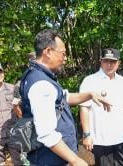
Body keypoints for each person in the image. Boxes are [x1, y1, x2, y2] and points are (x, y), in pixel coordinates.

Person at [20, 29, 110, 166]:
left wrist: (90, 94)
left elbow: (64, 98)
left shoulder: (38, 75)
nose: (65, 58)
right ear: (48, 52)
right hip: (49, 160)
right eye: (63, 53)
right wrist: (75, 160)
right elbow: (47, 134)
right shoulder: (41, 85)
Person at [79, 48, 123, 166]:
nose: (109, 65)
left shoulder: (122, 81)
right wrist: (86, 135)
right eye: (106, 61)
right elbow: (84, 109)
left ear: (118, 63)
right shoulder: (89, 81)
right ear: (101, 61)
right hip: (101, 139)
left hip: (122, 137)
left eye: (113, 62)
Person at [0, 62, 22, 165]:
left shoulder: (13, 89)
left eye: (0, 72)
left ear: (3, 73)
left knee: (18, 160)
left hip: (14, 131)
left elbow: (21, 108)